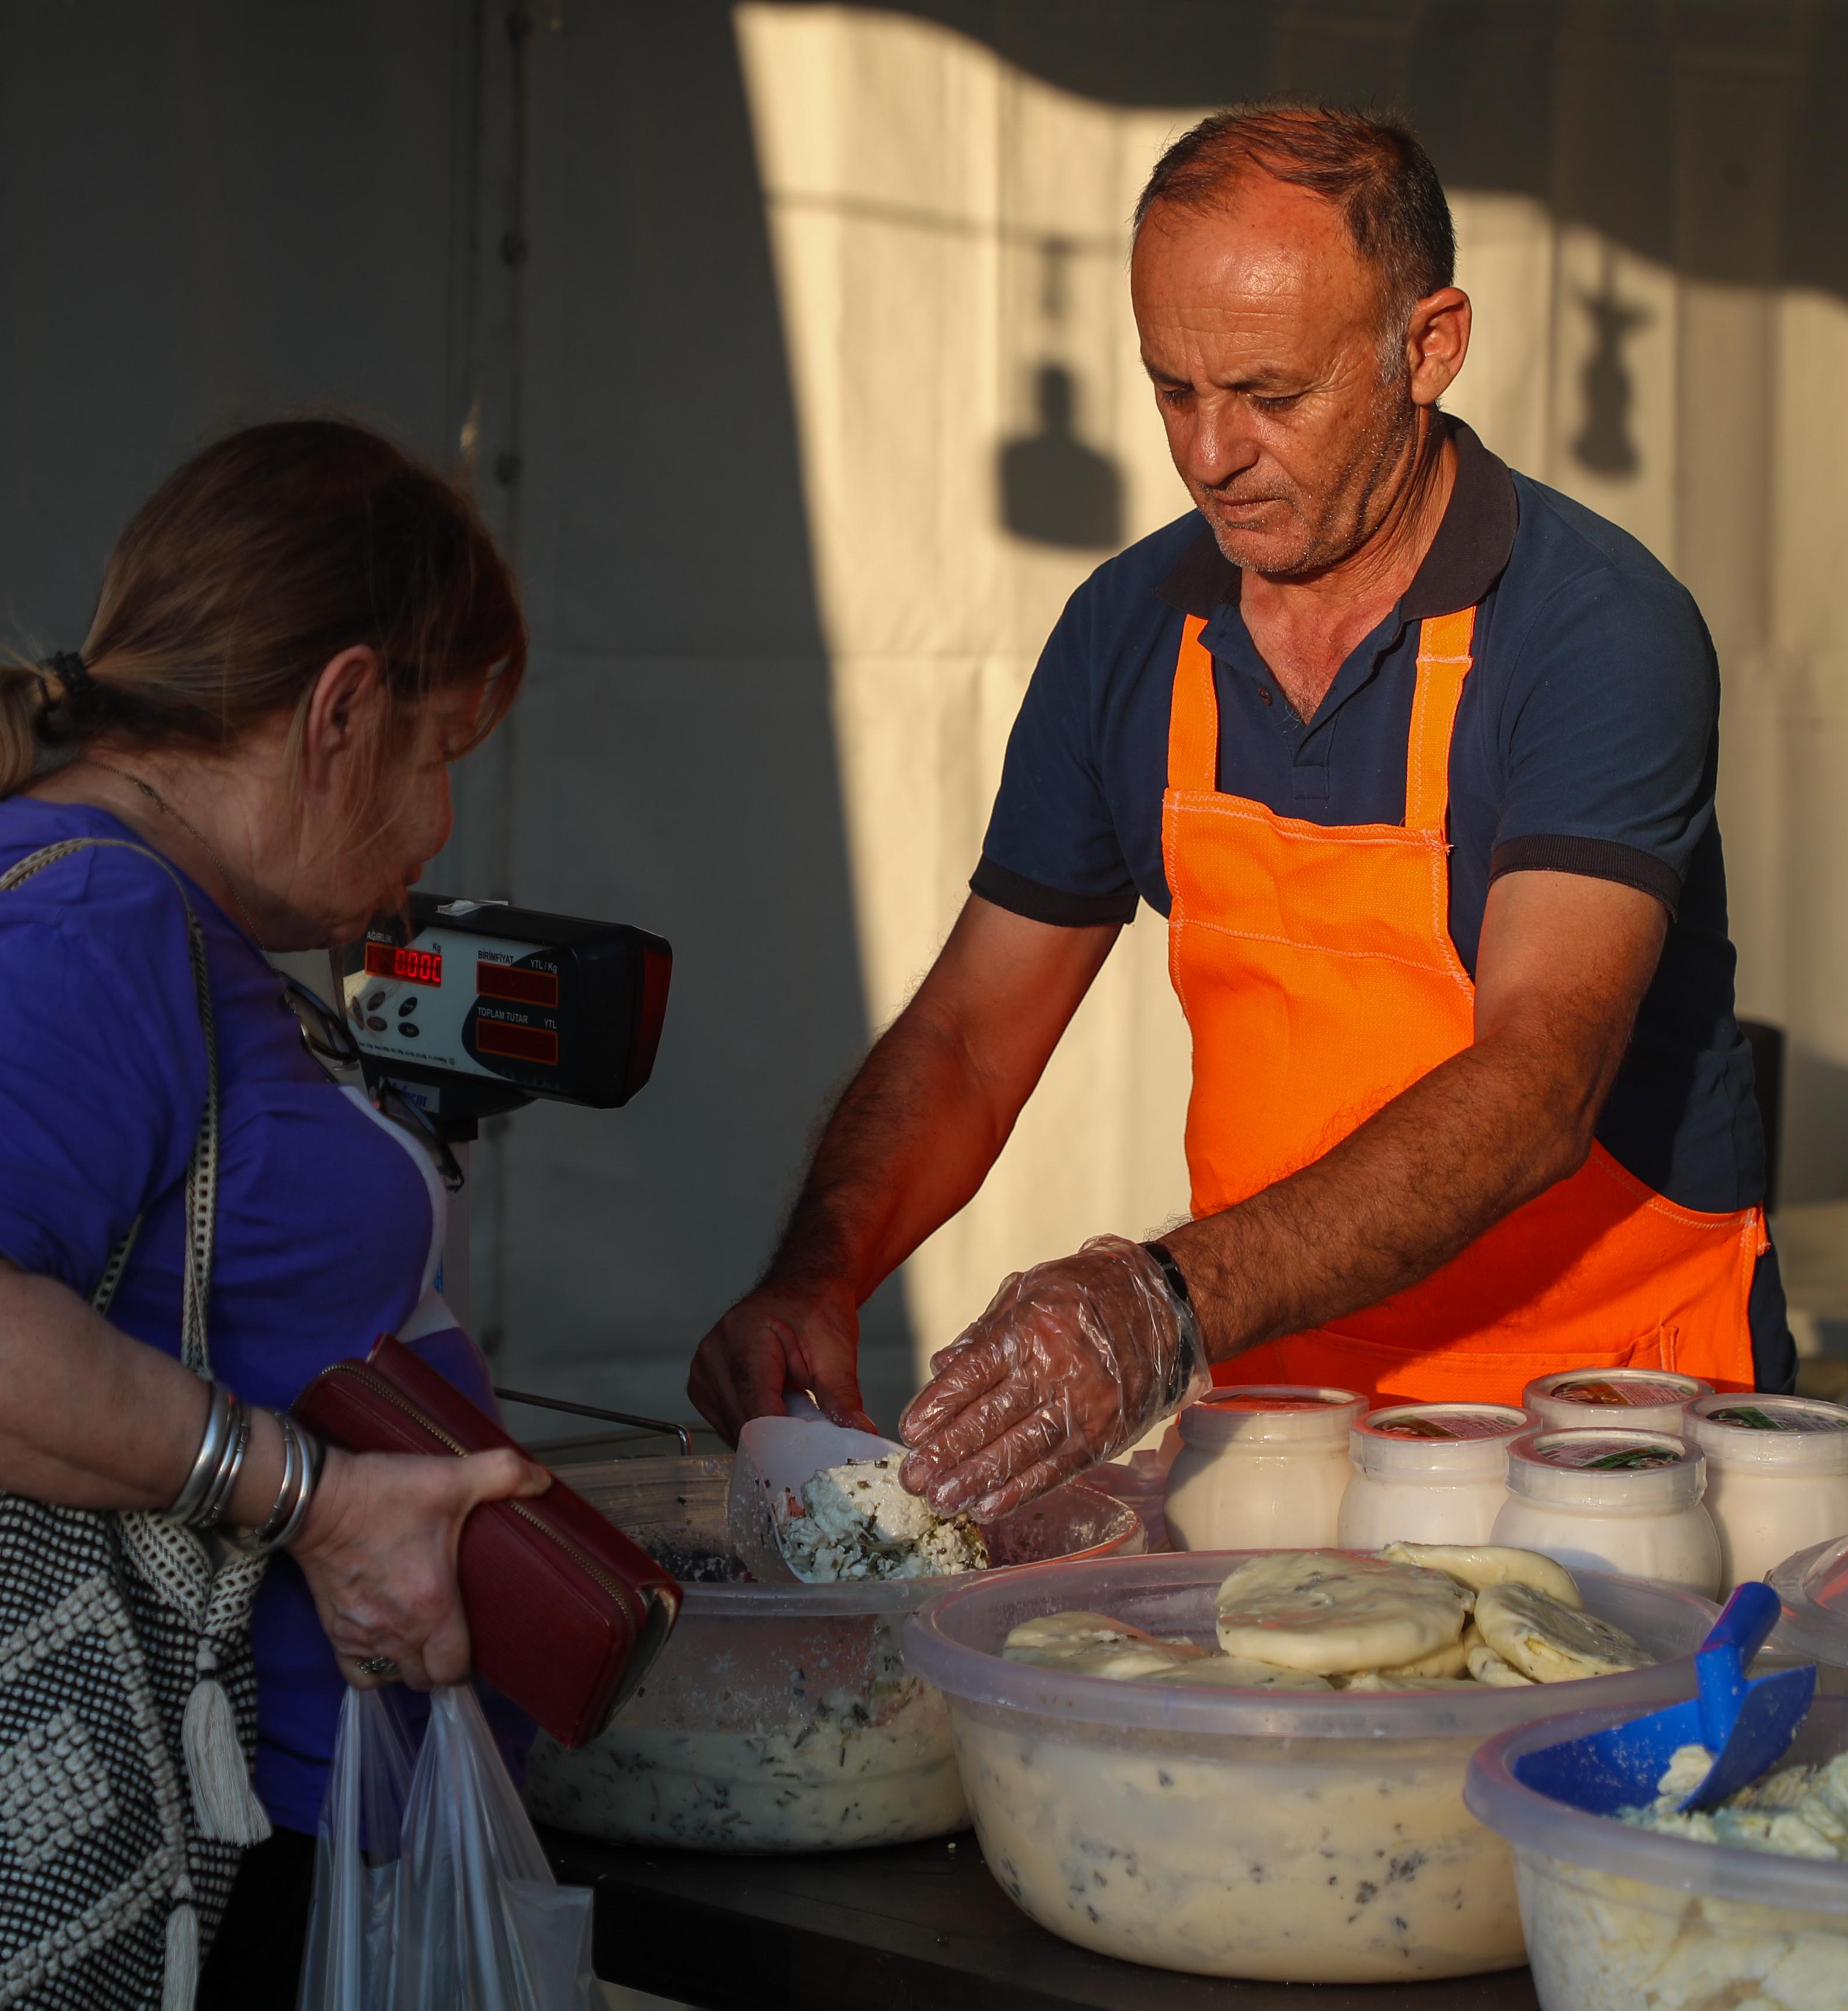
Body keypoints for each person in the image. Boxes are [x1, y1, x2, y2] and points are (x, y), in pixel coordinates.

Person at [690, 105, 1790, 1522]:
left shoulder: (1594, 632)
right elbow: (969, 1037)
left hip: (1604, 1435)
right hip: (1283, 1419)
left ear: (1428, 345)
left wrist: (1159, 1303)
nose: (1211, 454)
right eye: (1172, 391)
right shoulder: (1133, 630)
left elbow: (1538, 1085)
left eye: (1271, 396)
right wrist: (818, 1273)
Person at [0, 418, 539, 2004]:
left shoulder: (149, 911)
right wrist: (313, 1496)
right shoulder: (88, 908)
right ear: (340, 706)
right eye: (439, 753)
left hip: (235, 1809)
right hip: (166, 1840)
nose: (439, 824)